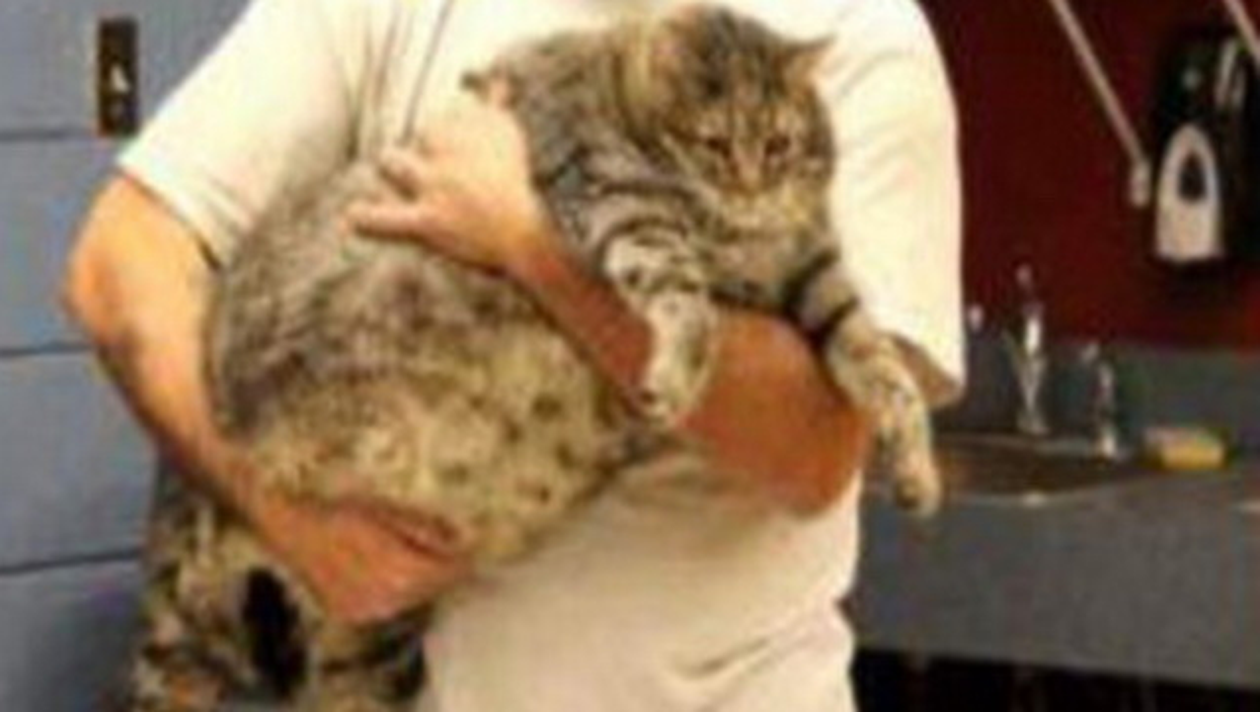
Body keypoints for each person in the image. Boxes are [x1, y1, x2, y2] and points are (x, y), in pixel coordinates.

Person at [62, 0, 963, 709]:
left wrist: (529, 243)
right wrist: (287, 517)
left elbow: (816, 452)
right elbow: (119, 263)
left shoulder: (856, 38)